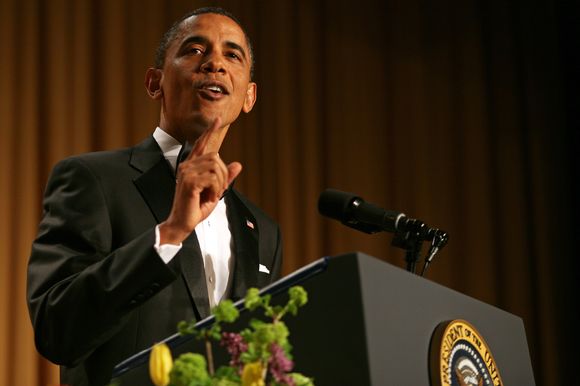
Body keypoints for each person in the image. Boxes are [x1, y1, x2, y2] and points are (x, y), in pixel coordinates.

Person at [26, 7, 282, 386]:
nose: (215, 63)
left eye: (232, 54)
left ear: (249, 96)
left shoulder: (261, 229)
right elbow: (56, 328)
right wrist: (171, 233)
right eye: (194, 50)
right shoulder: (93, 179)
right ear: (154, 83)